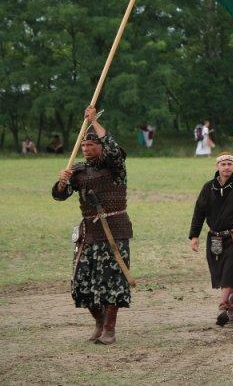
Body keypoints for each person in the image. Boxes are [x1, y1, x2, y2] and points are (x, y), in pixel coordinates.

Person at [52, 106, 132, 345]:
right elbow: (59, 195)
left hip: (114, 230)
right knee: (81, 283)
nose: (86, 149)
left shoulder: (114, 167)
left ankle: (110, 328)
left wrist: (94, 121)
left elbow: (114, 149)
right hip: (89, 233)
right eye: (84, 146)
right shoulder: (79, 170)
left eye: (91, 145)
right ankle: (98, 321)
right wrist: (62, 182)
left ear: (100, 146)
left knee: (112, 281)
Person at [188, 154, 233, 326]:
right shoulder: (208, 188)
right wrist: (194, 235)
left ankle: (222, 308)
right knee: (223, 276)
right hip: (214, 238)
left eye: (229, 164)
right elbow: (199, 212)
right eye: (223, 164)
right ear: (217, 166)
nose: (226, 167)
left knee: (230, 273)